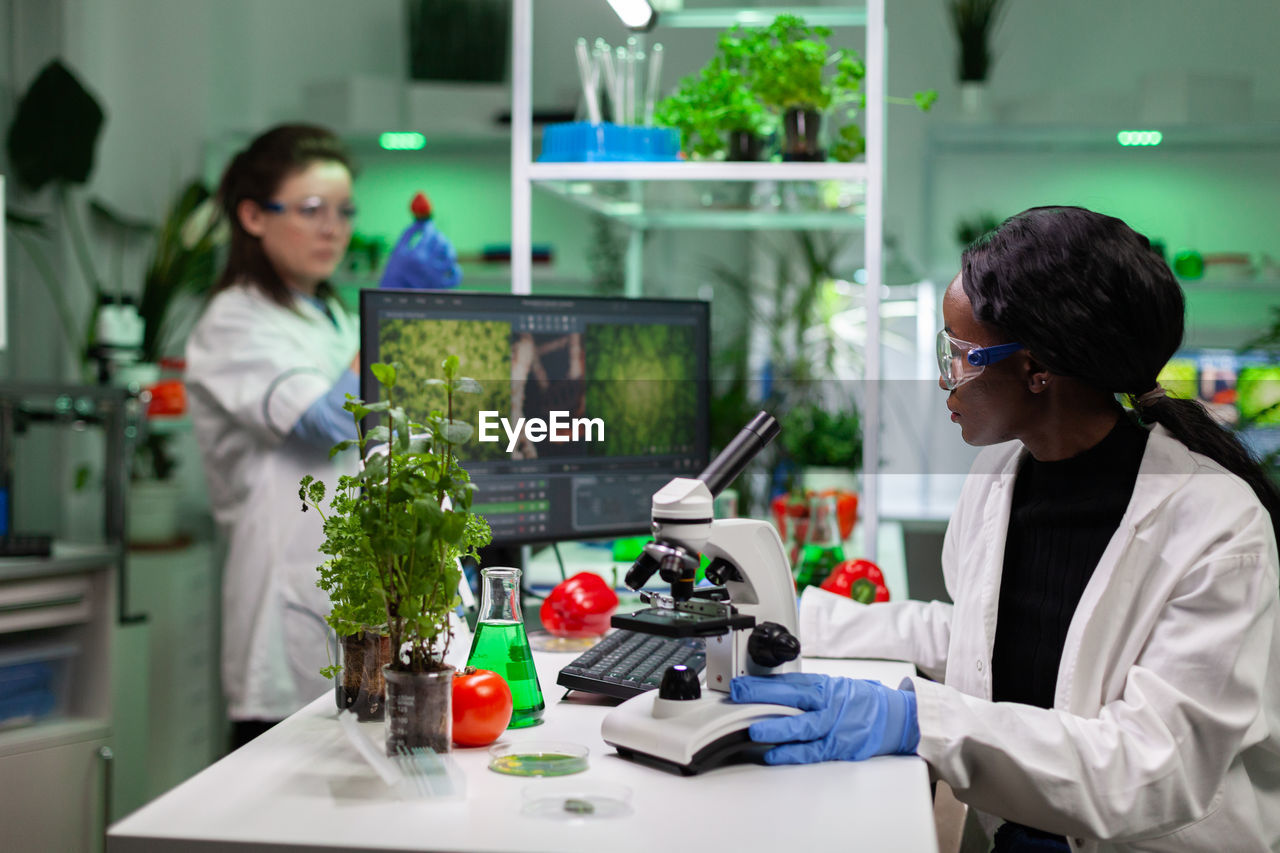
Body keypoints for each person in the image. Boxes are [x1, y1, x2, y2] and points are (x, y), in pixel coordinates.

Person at [730, 206, 1280, 852]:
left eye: (959, 355)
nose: (945, 378)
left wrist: (919, 720)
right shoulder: (1001, 473)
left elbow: (1147, 768)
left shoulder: (1216, 525)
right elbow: (977, 630)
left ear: (1036, 369)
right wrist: (781, 616)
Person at [185, 124, 362, 749]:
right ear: (255, 216)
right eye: (311, 209)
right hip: (282, 616)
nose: (332, 228)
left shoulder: (332, 313)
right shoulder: (235, 319)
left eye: (343, 211)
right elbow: (332, 424)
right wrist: (395, 314)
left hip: (352, 608)